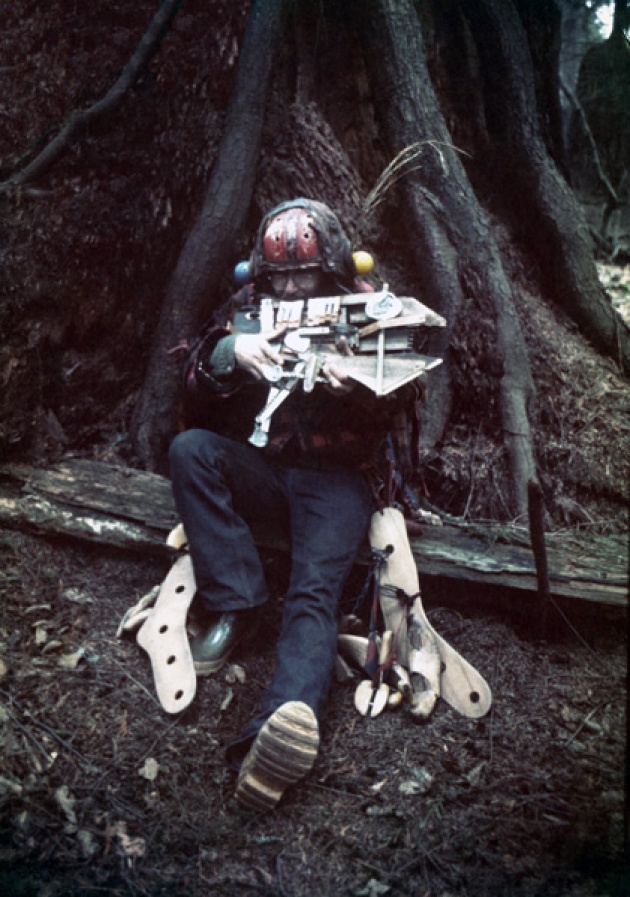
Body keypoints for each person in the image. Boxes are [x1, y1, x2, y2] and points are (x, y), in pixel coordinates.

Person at [168, 198, 418, 811]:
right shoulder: (250, 304)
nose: (292, 287)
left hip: (338, 483)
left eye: (303, 275)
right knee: (191, 451)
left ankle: (282, 725)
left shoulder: (369, 303)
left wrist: (355, 387)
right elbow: (193, 376)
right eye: (280, 277)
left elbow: (409, 391)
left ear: (331, 265)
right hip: (269, 469)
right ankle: (238, 600)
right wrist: (234, 355)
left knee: (313, 594)